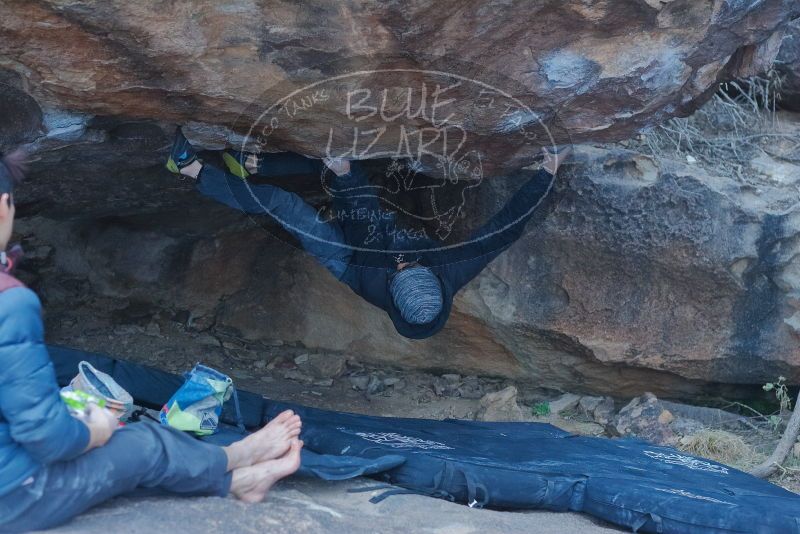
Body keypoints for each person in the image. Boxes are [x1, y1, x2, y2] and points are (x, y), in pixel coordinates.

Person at [0, 149, 304, 532]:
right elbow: (46, 439)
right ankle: (238, 466)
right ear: (3, 207)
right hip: (16, 494)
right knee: (145, 444)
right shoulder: (9, 302)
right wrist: (95, 428)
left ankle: (235, 468)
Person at [167, 130, 569, 339]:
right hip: (381, 234)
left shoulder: (380, 274)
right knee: (346, 165)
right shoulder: (454, 267)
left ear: (391, 289)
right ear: (435, 273)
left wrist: (347, 177)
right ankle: (252, 166)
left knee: (289, 206)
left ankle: (190, 169)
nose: (402, 262)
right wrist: (547, 173)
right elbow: (505, 229)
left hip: (352, 259)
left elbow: (364, 222)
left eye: (399, 271)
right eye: (411, 263)